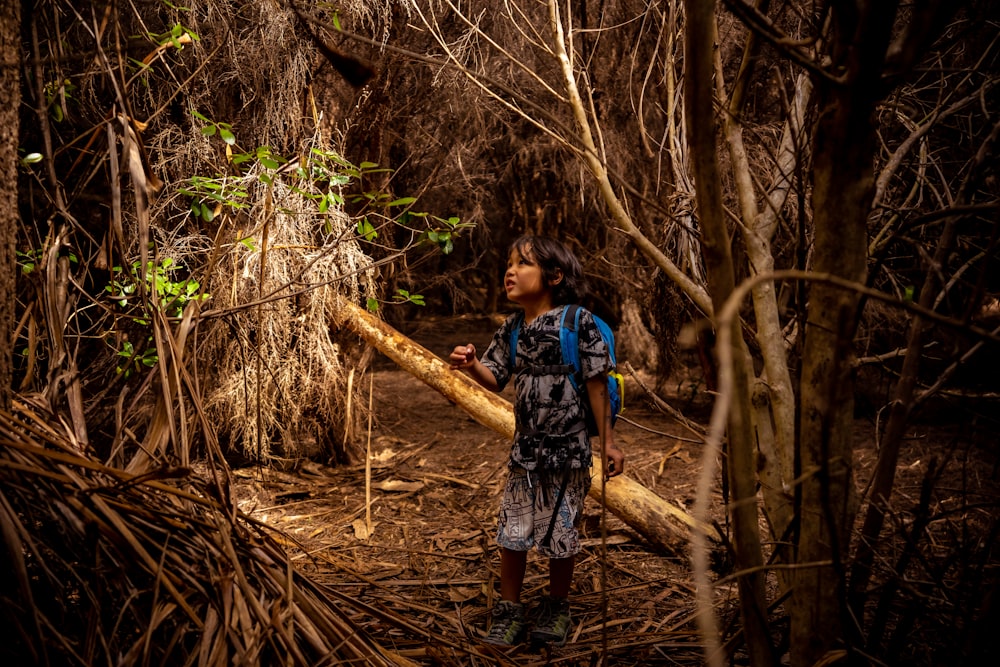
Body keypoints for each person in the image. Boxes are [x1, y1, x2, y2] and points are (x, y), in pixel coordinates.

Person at [449, 234, 625, 648]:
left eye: (523, 264)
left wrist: (609, 444)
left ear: (554, 275)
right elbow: (495, 379)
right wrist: (473, 364)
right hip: (524, 454)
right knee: (513, 532)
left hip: (570, 452)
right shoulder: (512, 328)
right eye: (509, 263)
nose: (511, 271)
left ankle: (556, 605)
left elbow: (597, 385)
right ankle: (509, 611)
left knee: (561, 533)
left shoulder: (577, 322)